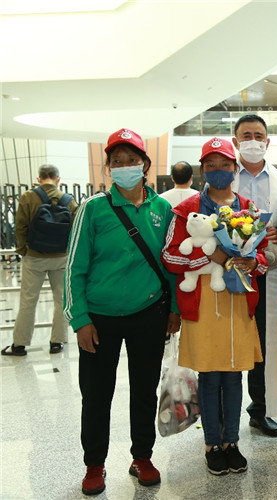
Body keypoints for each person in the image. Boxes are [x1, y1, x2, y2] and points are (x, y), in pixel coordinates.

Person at [64, 128, 181, 495]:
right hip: (100, 318)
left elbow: (170, 265)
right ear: (109, 168)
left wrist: (173, 309)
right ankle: (94, 464)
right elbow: (74, 268)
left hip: (149, 313)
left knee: (144, 390)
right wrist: (80, 319)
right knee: (97, 394)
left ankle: (142, 456)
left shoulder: (162, 209)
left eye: (132, 160)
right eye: (117, 161)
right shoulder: (93, 209)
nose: (125, 166)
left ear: (145, 165)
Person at [162, 137, 266, 476]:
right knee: (209, 376)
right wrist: (210, 256)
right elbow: (170, 256)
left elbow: (263, 255)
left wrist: (253, 262)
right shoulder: (186, 210)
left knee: (234, 375)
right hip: (204, 302)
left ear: (235, 169)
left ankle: (232, 441)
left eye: (224, 164)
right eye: (211, 165)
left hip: (238, 300)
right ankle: (212, 444)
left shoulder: (249, 209)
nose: (218, 170)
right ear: (202, 170)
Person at [231, 114, 277, 437]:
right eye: (246, 135)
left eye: (258, 135)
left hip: (269, 273)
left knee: (264, 343)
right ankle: (224, 413)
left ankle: (259, 409)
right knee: (230, 339)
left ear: (267, 142)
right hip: (230, 273)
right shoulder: (224, 178)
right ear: (235, 141)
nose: (253, 141)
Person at [3, 164, 78, 357]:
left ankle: (19, 344)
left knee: (28, 301)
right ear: (58, 179)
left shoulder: (28, 197)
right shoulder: (68, 200)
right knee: (61, 300)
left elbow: (20, 227)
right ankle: (57, 342)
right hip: (61, 257)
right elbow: (76, 230)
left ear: (39, 179)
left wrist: (23, 250)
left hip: (34, 257)